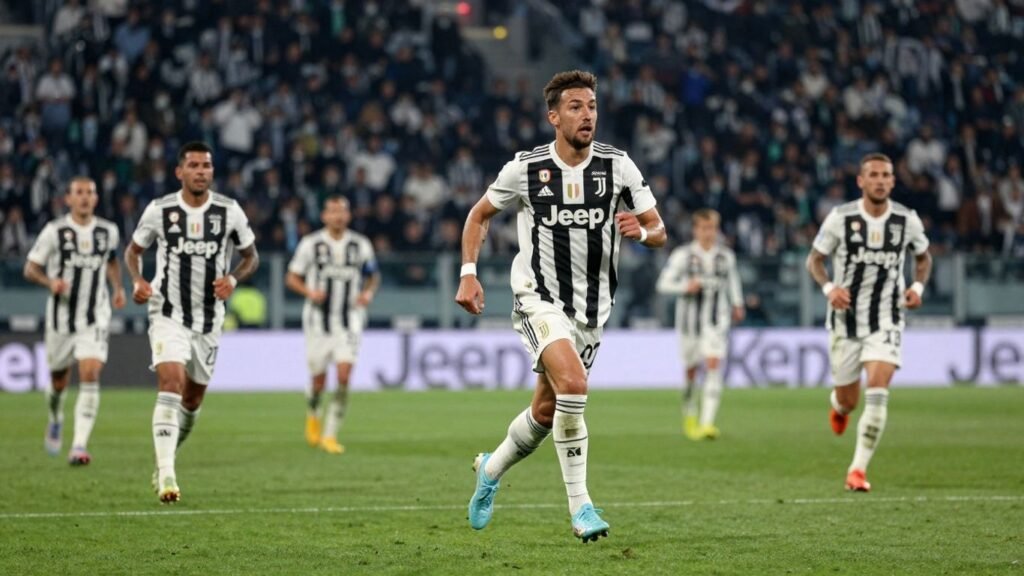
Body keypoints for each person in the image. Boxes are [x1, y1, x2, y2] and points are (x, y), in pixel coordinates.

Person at [455, 70, 667, 542]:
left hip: (592, 312)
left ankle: (491, 468)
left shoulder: (619, 166)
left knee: (548, 412)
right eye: (575, 106)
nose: (586, 114)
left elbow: (659, 230)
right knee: (575, 384)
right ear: (554, 116)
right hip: (538, 298)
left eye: (591, 105)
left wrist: (644, 234)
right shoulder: (527, 170)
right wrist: (469, 274)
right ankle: (582, 508)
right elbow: (478, 216)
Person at [125, 141, 259, 503]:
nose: (201, 171)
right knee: (171, 381)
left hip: (209, 320)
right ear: (179, 172)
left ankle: (166, 458)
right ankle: (167, 474)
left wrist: (233, 278)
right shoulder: (160, 210)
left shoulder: (229, 211)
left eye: (207, 166)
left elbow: (251, 257)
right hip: (168, 312)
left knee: (193, 399)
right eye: (194, 165)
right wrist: (138, 282)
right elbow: (133, 252)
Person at [806, 152, 932, 492]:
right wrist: (829, 287)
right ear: (861, 181)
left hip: (887, 319)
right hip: (845, 321)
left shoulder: (907, 220)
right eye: (873, 175)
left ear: (893, 180)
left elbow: (924, 257)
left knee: (878, 391)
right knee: (849, 399)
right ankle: (839, 407)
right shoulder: (840, 218)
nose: (879, 180)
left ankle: (857, 470)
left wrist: (917, 286)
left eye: (885, 175)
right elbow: (815, 260)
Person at [24, 177, 125, 465]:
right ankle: (56, 418)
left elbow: (112, 260)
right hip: (60, 321)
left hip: (95, 317)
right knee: (58, 381)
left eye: (90, 193)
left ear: (95, 199)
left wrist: (118, 288)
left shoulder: (108, 231)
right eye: (79, 193)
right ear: (68, 199)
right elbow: (31, 268)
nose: (84, 198)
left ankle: (79, 445)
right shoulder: (55, 231)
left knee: (90, 372)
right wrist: (49, 282)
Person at [285, 196, 379, 454]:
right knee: (318, 380)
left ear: (348, 216)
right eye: (333, 211)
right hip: (318, 321)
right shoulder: (310, 244)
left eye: (343, 211)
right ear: (324, 216)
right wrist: (309, 292)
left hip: (350, 319)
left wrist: (367, 294)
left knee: (344, 376)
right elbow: (292, 277)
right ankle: (313, 410)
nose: (338, 216)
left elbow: (373, 276)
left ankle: (330, 434)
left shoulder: (360, 244)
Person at [656, 209, 743, 440]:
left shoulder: (726, 256)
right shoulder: (683, 255)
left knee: (714, 366)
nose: (708, 233)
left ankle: (707, 423)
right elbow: (663, 284)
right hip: (688, 324)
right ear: (695, 230)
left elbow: (732, 282)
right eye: (704, 228)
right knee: (691, 371)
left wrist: (737, 303)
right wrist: (685, 286)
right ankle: (689, 411)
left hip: (716, 321)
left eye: (712, 228)